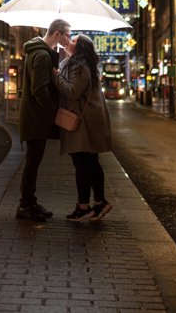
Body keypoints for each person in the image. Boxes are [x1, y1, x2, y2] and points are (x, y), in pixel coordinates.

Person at [16, 18, 71, 222]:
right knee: (32, 162)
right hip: (36, 117)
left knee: (34, 161)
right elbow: (39, 89)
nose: (69, 39)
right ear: (57, 33)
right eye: (67, 35)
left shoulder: (41, 52)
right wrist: (53, 109)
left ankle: (30, 202)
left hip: (36, 116)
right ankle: (25, 205)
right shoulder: (41, 55)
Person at [54, 34, 114, 221]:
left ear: (79, 48)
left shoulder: (79, 67)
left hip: (82, 121)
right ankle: (99, 202)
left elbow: (72, 91)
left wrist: (56, 75)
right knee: (91, 161)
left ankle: (83, 207)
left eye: (73, 40)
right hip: (87, 119)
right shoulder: (81, 65)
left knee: (81, 163)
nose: (68, 41)